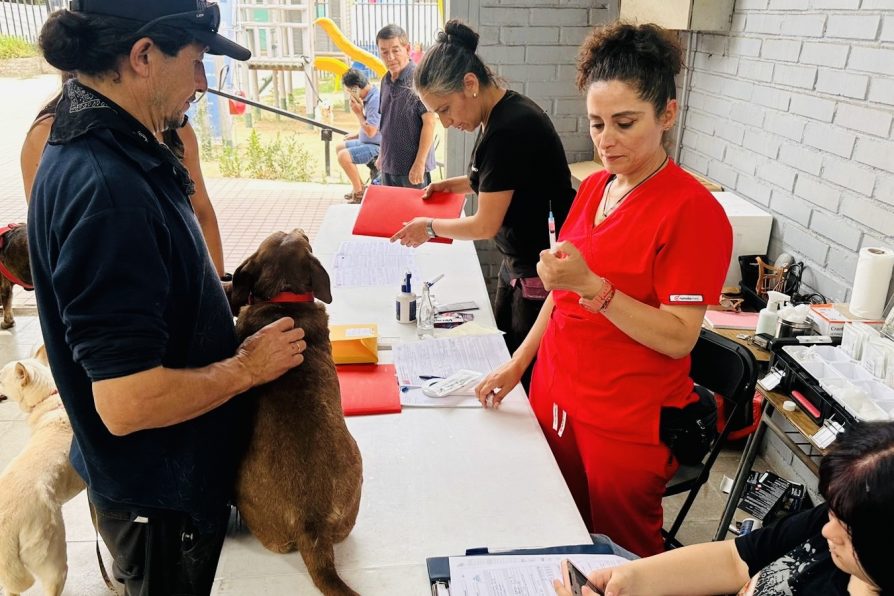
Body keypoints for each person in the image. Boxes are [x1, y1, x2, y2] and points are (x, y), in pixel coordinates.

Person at [28, 3, 308, 594]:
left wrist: (223, 293)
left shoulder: (119, 143)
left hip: (164, 487)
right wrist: (246, 368)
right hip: (159, 504)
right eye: (199, 61)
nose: (204, 82)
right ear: (144, 56)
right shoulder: (108, 190)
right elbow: (128, 402)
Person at [474, 22, 733, 557]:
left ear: (667, 113)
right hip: (556, 394)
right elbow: (560, 298)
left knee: (621, 557)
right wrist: (518, 366)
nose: (606, 139)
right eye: (596, 124)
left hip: (624, 420)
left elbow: (679, 337)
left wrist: (598, 287)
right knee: (553, 529)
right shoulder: (594, 186)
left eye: (625, 122)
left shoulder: (692, 212)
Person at [390, 20, 575, 373]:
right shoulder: (500, 112)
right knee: (498, 351)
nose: (445, 122)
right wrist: (453, 185)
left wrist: (428, 227)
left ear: (470, 85)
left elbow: (486, 224)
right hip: (518, 265)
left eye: (445, 109)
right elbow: (497, 179)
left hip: (539, 274)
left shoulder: (509, 129)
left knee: (521, 376)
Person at [555, 420, 894, 596]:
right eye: (831, 512)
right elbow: (736, 560)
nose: (826, 529)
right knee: (598, 546)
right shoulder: (840, 521)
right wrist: (631, 579)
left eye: (846, 529)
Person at [21, 77, 227, 277]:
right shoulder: (51, 136)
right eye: (193, 60)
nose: (201, 84)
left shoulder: (174, 128)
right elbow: (48, 240)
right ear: (139, 58)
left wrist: (219, 288)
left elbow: (201, 212)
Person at [375, 24, 436, 189]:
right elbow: (386, 123)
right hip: (389, 166)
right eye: (384, 52)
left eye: (396, 50)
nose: (390, 57)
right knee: (390, 214)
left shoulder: (420, 80)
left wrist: (420, 163)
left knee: (414, 215)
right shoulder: (384, 81)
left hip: (412, 170)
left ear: (407, 48)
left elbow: (430, 123)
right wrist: (382, 155)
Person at [335, 68, 381, 203]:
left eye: (350, 90)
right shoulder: (368, 97)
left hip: (378, 146)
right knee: (340, 147)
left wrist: (358, 113)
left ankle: (359, 193)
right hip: (369, 140)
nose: (349, 94)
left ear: (355, 88)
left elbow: (372, 130)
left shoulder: (375, 100)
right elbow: (373, 124)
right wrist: (356, 135)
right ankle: (359, 186)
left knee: (343, 156)